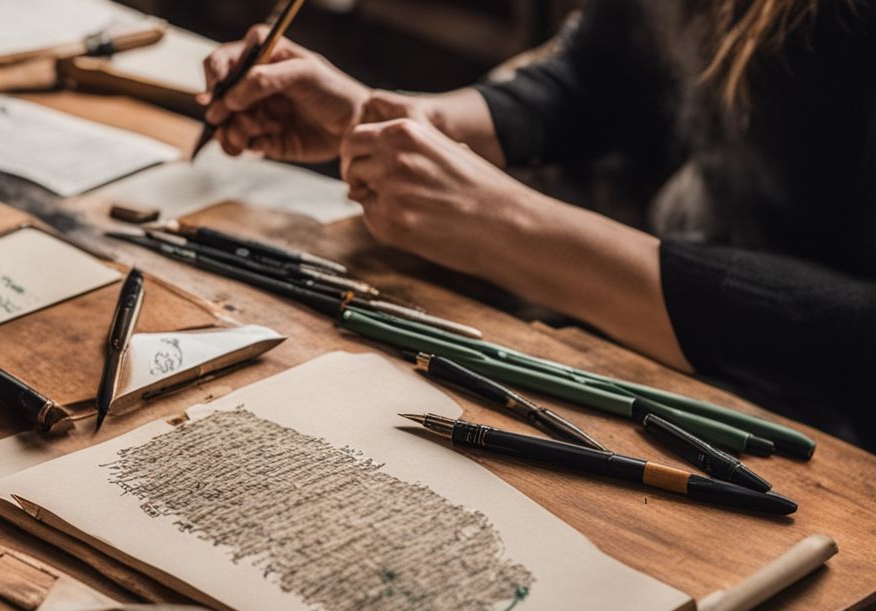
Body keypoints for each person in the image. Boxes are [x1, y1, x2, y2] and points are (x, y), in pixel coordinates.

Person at [199, 0, 876, 449]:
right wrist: (418, 126)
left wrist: (514, 230)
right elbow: (609, 71)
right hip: (655, 361)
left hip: (817, 439)